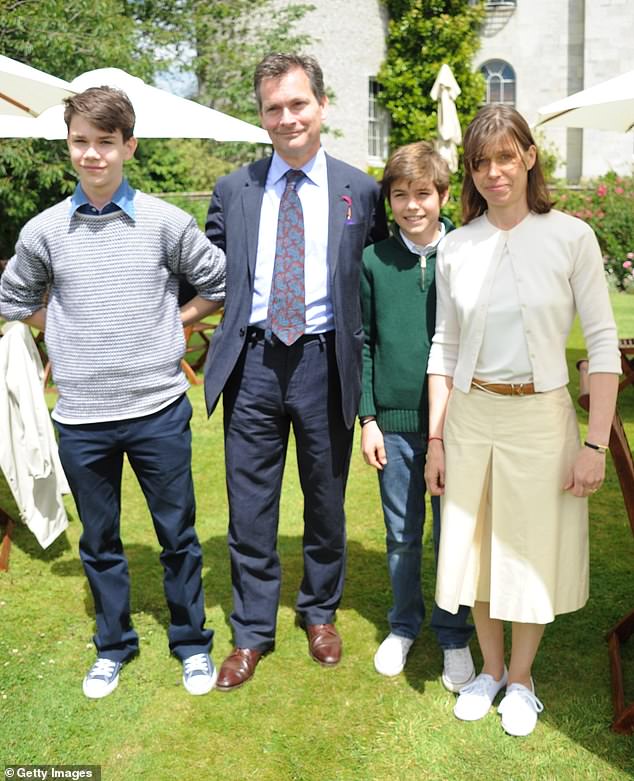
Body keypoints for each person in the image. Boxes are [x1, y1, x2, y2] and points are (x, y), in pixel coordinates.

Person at [0, 87, 226, 699]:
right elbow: (14, 300)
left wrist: (169, 323)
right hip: (81, 416)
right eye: (81, 142)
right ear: (69, 145)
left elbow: (219, 283)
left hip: (156, 409)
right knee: (99, 542)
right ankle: (114, 646)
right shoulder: (45, 230)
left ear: (128, 145)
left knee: (177, 537)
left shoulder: (166, 221)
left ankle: (190, 644)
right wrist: (67, 327)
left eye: (106, 143)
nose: (93, 155)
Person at [424, 104, 620, 736]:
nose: (493, 172)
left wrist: (595, 443)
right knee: (478, 550)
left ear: (529, 156)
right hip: (471, 416)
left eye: (505, 157)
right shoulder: (456, 245)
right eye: (481, 162)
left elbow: (605, 342)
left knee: (529, 551)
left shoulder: (571, 237)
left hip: (543, 419)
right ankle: (490, 668)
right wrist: (435, 440)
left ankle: (522, 678)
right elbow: (444, 349)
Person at [204, 53, 387, 690]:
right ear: (261, 115)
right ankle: (252, 631)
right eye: (273, 108)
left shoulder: (360, 192)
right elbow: (207, 278)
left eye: (298, 104)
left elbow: (377, 282)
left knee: (326, 499)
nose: (287, 118)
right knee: (249, 505)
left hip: (324, 361)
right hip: (251, 363)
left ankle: (319, 612)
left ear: (322, 105)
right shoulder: (233, 190)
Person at [359, 141, 475, 687]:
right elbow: (363, 344)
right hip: (396, 425)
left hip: (461, 424)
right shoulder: (374, 260)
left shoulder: (468, 253)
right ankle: (404, 625)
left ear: (443, 195)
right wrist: (368, 419)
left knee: (452, 534)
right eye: (400, 195)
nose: (411, 205)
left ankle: (454, 635)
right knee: (402, 534)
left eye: (423, 194)